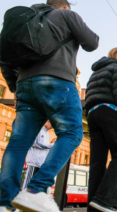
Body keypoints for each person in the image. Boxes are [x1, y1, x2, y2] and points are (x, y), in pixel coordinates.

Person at [0, 0, 99, 211]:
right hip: (58, 82)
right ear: (64, 7)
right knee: (72, 133)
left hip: (25, 86)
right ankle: (36, 190)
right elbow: (92, 43)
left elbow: (5, 58)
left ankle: (5, 202)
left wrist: (14, 87)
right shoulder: (65, 15)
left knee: (18, 142)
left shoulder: (25, 21)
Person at [85, 47, 117, 212]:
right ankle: (105, 201)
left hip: (92, 114)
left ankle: (94, 206)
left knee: (97, 162)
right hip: (110, 111)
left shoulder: (95, 73)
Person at [22, 121, 55, 190]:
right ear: (48, 121)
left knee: (34, 183)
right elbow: (35, 143)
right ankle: (22, 197)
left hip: (40, 164)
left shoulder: (47, 133)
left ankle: (30, 198)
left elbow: (45, 148)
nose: (52, 127)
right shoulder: (37, 129)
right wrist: (51, 145)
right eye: (52, 125)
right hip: (33, 162)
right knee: (28, 182)